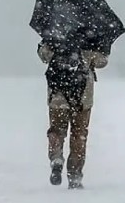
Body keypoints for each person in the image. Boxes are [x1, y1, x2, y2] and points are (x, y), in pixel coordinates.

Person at [37, 38, 109, 189]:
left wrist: (46, 44)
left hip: (58, 95)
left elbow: (44, 56)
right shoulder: (91, 37)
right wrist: (101, 50)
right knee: (79, 135)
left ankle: (56, 158)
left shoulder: (55, 34)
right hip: (82, 98)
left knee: (56, 130)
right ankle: (75, 175)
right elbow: (102, 62)